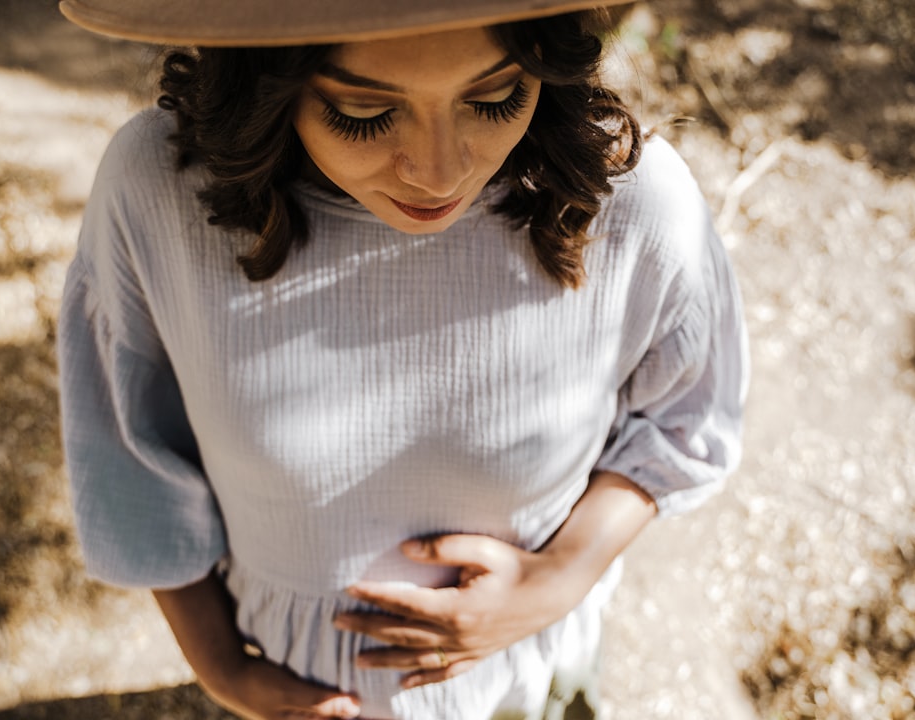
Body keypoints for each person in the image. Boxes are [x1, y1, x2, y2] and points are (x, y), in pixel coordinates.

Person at [56, 0, 749, 718]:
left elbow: (684, 421)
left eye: (495, 97)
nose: (439, 172)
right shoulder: (157, 192)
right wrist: (226, 672)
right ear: (265, 76)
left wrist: (554, 581)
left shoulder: (632, 202)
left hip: (523, 683)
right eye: (363, 114)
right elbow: (130, 452)